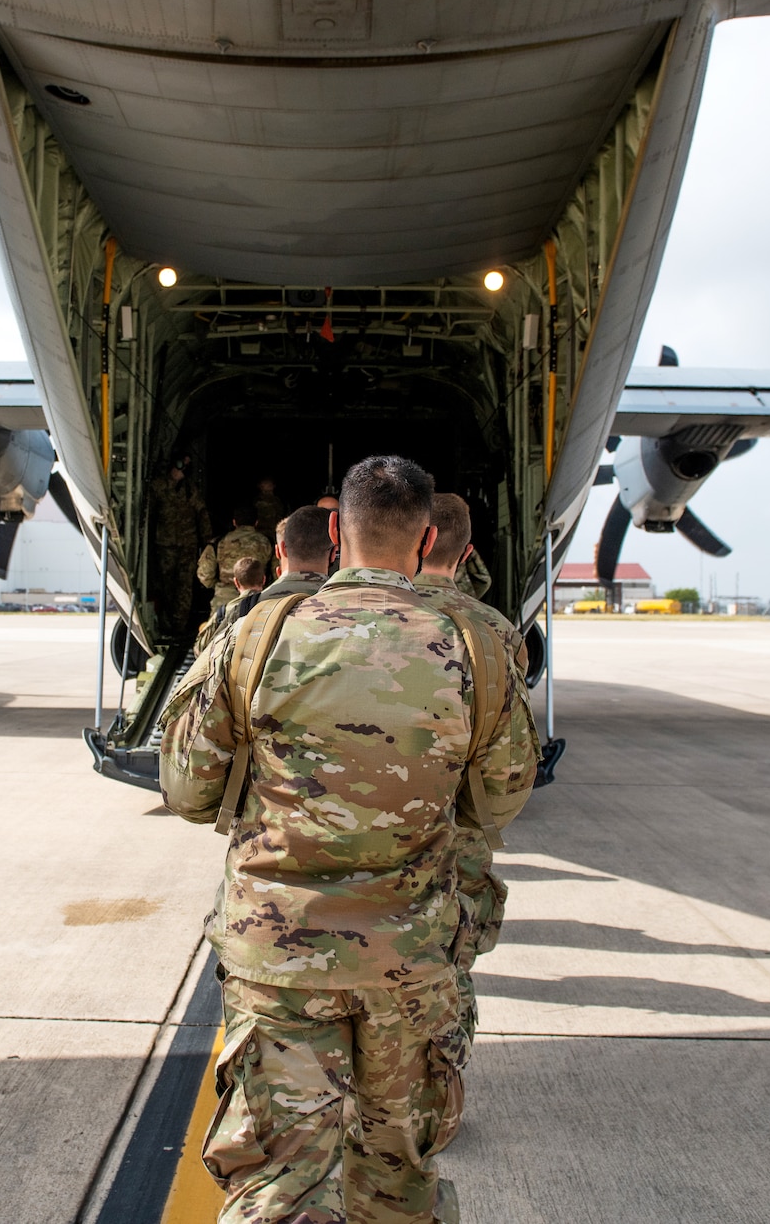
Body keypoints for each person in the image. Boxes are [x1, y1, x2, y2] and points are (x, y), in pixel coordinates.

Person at [160, 456, 538, 1224]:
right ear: (431, 536)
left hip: (281, 958)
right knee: (395, 1179)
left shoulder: (258, 631)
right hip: (412, 960)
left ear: (334, 532)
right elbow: (501, 798)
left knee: (280, 1186)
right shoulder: (477, 647)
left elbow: (188, 790)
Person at [410, 493, 529, 1045]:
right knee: (447, 966)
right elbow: (511, 772)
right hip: (456, 837)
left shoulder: (351, 617)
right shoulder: (497, 631)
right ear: (466, 551)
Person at [194, 506, 336, 656]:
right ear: (334, 553)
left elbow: (204, 574)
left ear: (281, 550)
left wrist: (218, 585)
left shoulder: (241, 609)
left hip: (225, 597)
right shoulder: (349, 603)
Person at [149, 460, 210, 633]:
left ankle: (179, 625)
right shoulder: (159, 486)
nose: (179, 471)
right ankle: (167, 622)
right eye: (177, 466)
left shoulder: (190, 490)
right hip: (165, 544)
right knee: (166, 584)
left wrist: (207, 541)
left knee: (184, 585)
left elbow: (202, 513)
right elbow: (149, 510)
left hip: (187, 544)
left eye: (184, 469)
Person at [196, 505, 274, 614]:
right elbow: (277, 572)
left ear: (234, 522)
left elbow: (204, 574)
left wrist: (220, 586)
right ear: (256, 523)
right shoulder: (268, 543)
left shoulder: (218, 542)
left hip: (225, 601)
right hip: (258, 601)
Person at [252, 476, 286, 542]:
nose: (267, 485)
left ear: (273, 485)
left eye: (269, 484)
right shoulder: (256, 501)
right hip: (260, 532)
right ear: (260, 486)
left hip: (274, 531)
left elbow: (283, 516)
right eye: (265, 483)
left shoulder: (278, 501)